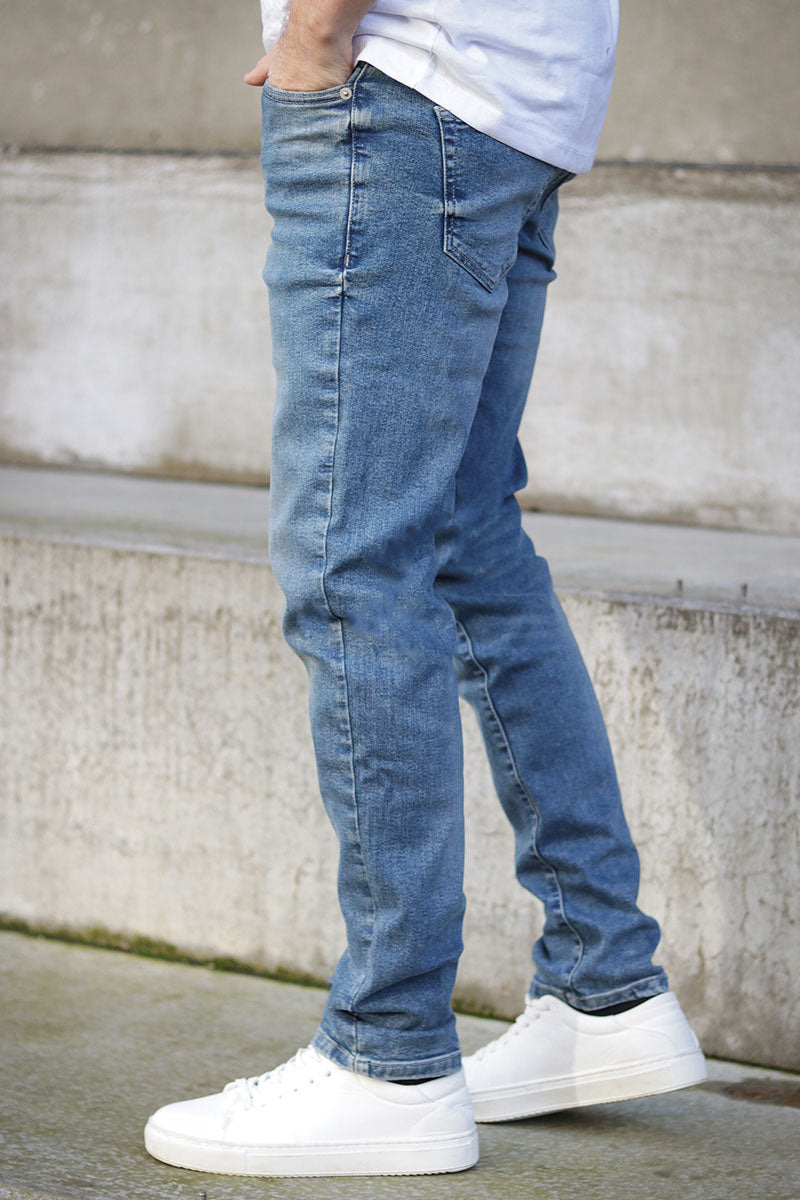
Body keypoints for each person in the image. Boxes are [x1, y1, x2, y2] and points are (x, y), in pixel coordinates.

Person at [144, 0, 706, 1177]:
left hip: (407, 92)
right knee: (464, 543)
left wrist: (315, 30)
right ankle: (603, 978)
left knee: (353, 562)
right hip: (517, 102)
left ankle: (387, 1053)